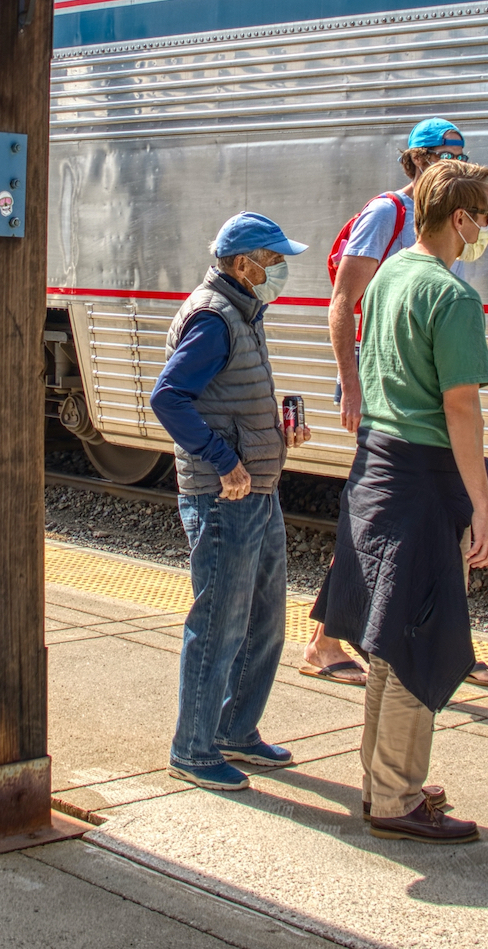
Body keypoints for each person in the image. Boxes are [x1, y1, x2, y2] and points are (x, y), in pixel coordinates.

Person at [320, 158, 488, 843]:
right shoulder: (453, 298)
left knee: (388, 640)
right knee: (418, 642)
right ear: (459, 219)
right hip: (427, 482)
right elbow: (463, 410)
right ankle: (396, 799)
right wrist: (483, 507)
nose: (486, 228)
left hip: (378, 469)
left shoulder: (392, 273)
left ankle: (382, 782)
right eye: (484, 216)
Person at [308, 117, 488, 689]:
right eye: (442, 152)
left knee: (404, 522)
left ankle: (446, 645)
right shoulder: (387, 214)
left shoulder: (441, 231)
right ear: (415, 160)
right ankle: (325, 642)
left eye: (459, 152)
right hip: (385, 390)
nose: (451, 160)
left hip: (409, 383)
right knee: (374, 521)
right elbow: (345, 300)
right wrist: (350, 380)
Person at [150, 212, 313, 792]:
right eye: (274, 260)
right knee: (219, 624)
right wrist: (225, 460)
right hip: (225, 496)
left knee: (265, 619)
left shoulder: (244, 311)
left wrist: (272, 429)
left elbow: (225, 396)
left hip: (257, 491)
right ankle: (192, 748)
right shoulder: (215, 319)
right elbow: (168, 398)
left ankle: (235, 730)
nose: (281, 270)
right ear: (244, 264)